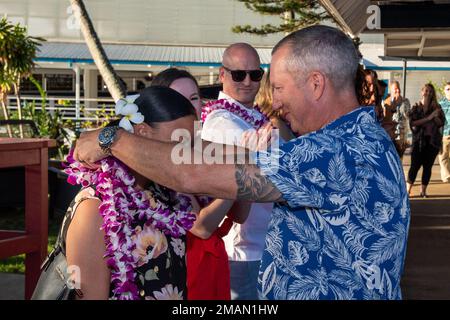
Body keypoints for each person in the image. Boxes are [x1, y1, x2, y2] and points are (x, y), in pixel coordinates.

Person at [73, 25, 411, 300]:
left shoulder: (338, 154)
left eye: (277, 87)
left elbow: (188, 172)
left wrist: (113, 139)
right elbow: (244, 158)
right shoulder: (349, 140)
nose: (274, 101)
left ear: (316, 84)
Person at [50, 86, 199, 300]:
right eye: (178, 145)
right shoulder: (96, 207)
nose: (186, 155)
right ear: (142, 133)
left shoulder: (166, 192)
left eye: (190, 144)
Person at [201, 42, 291, 300]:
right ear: (222, 75)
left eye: (255, 74)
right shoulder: (222, 122)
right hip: (245, 250)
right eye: (239, 74)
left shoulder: (252, 116)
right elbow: (276, 163)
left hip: (262, 244)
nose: (248, 81)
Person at [153, 67, 250, 300]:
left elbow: (241, 215)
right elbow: (202, 227)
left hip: (212, 263)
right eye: (177, 98)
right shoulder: (158, 153)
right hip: (179, 268)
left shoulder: (205, 148)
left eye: (194, 98)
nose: (188, 105)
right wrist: (239, 172)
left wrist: (245, 167)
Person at [406, 83, 445, 197]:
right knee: (414, 166)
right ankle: (408, 190)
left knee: (427, 167)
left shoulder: (437, 108)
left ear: (432, 94)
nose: (428, 93)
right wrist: (429, 117)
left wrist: (435, 115)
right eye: (426, 91)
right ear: (422, 92)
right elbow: (412, 123)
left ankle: (423, 191)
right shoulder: (416, 107)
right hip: (419, 141)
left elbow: (440, 123)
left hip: (432, 142)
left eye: (430, 91)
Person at [382, 81, 411, 159]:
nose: (397, 90)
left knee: (400, 157)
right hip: (391, 133)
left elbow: (408, 116)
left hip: (402, 134)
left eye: (398, 88)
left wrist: (401, 103)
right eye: (395, 89)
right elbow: (384, 117)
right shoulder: (386, 102)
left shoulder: (405, 101)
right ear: (391, 90)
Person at [438, 82, 450, 183]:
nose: (449, 91)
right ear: (444, 91)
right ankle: (446, 177)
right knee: (443, 156)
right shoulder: (441, 103)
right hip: (444, 133)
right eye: (448, 89)